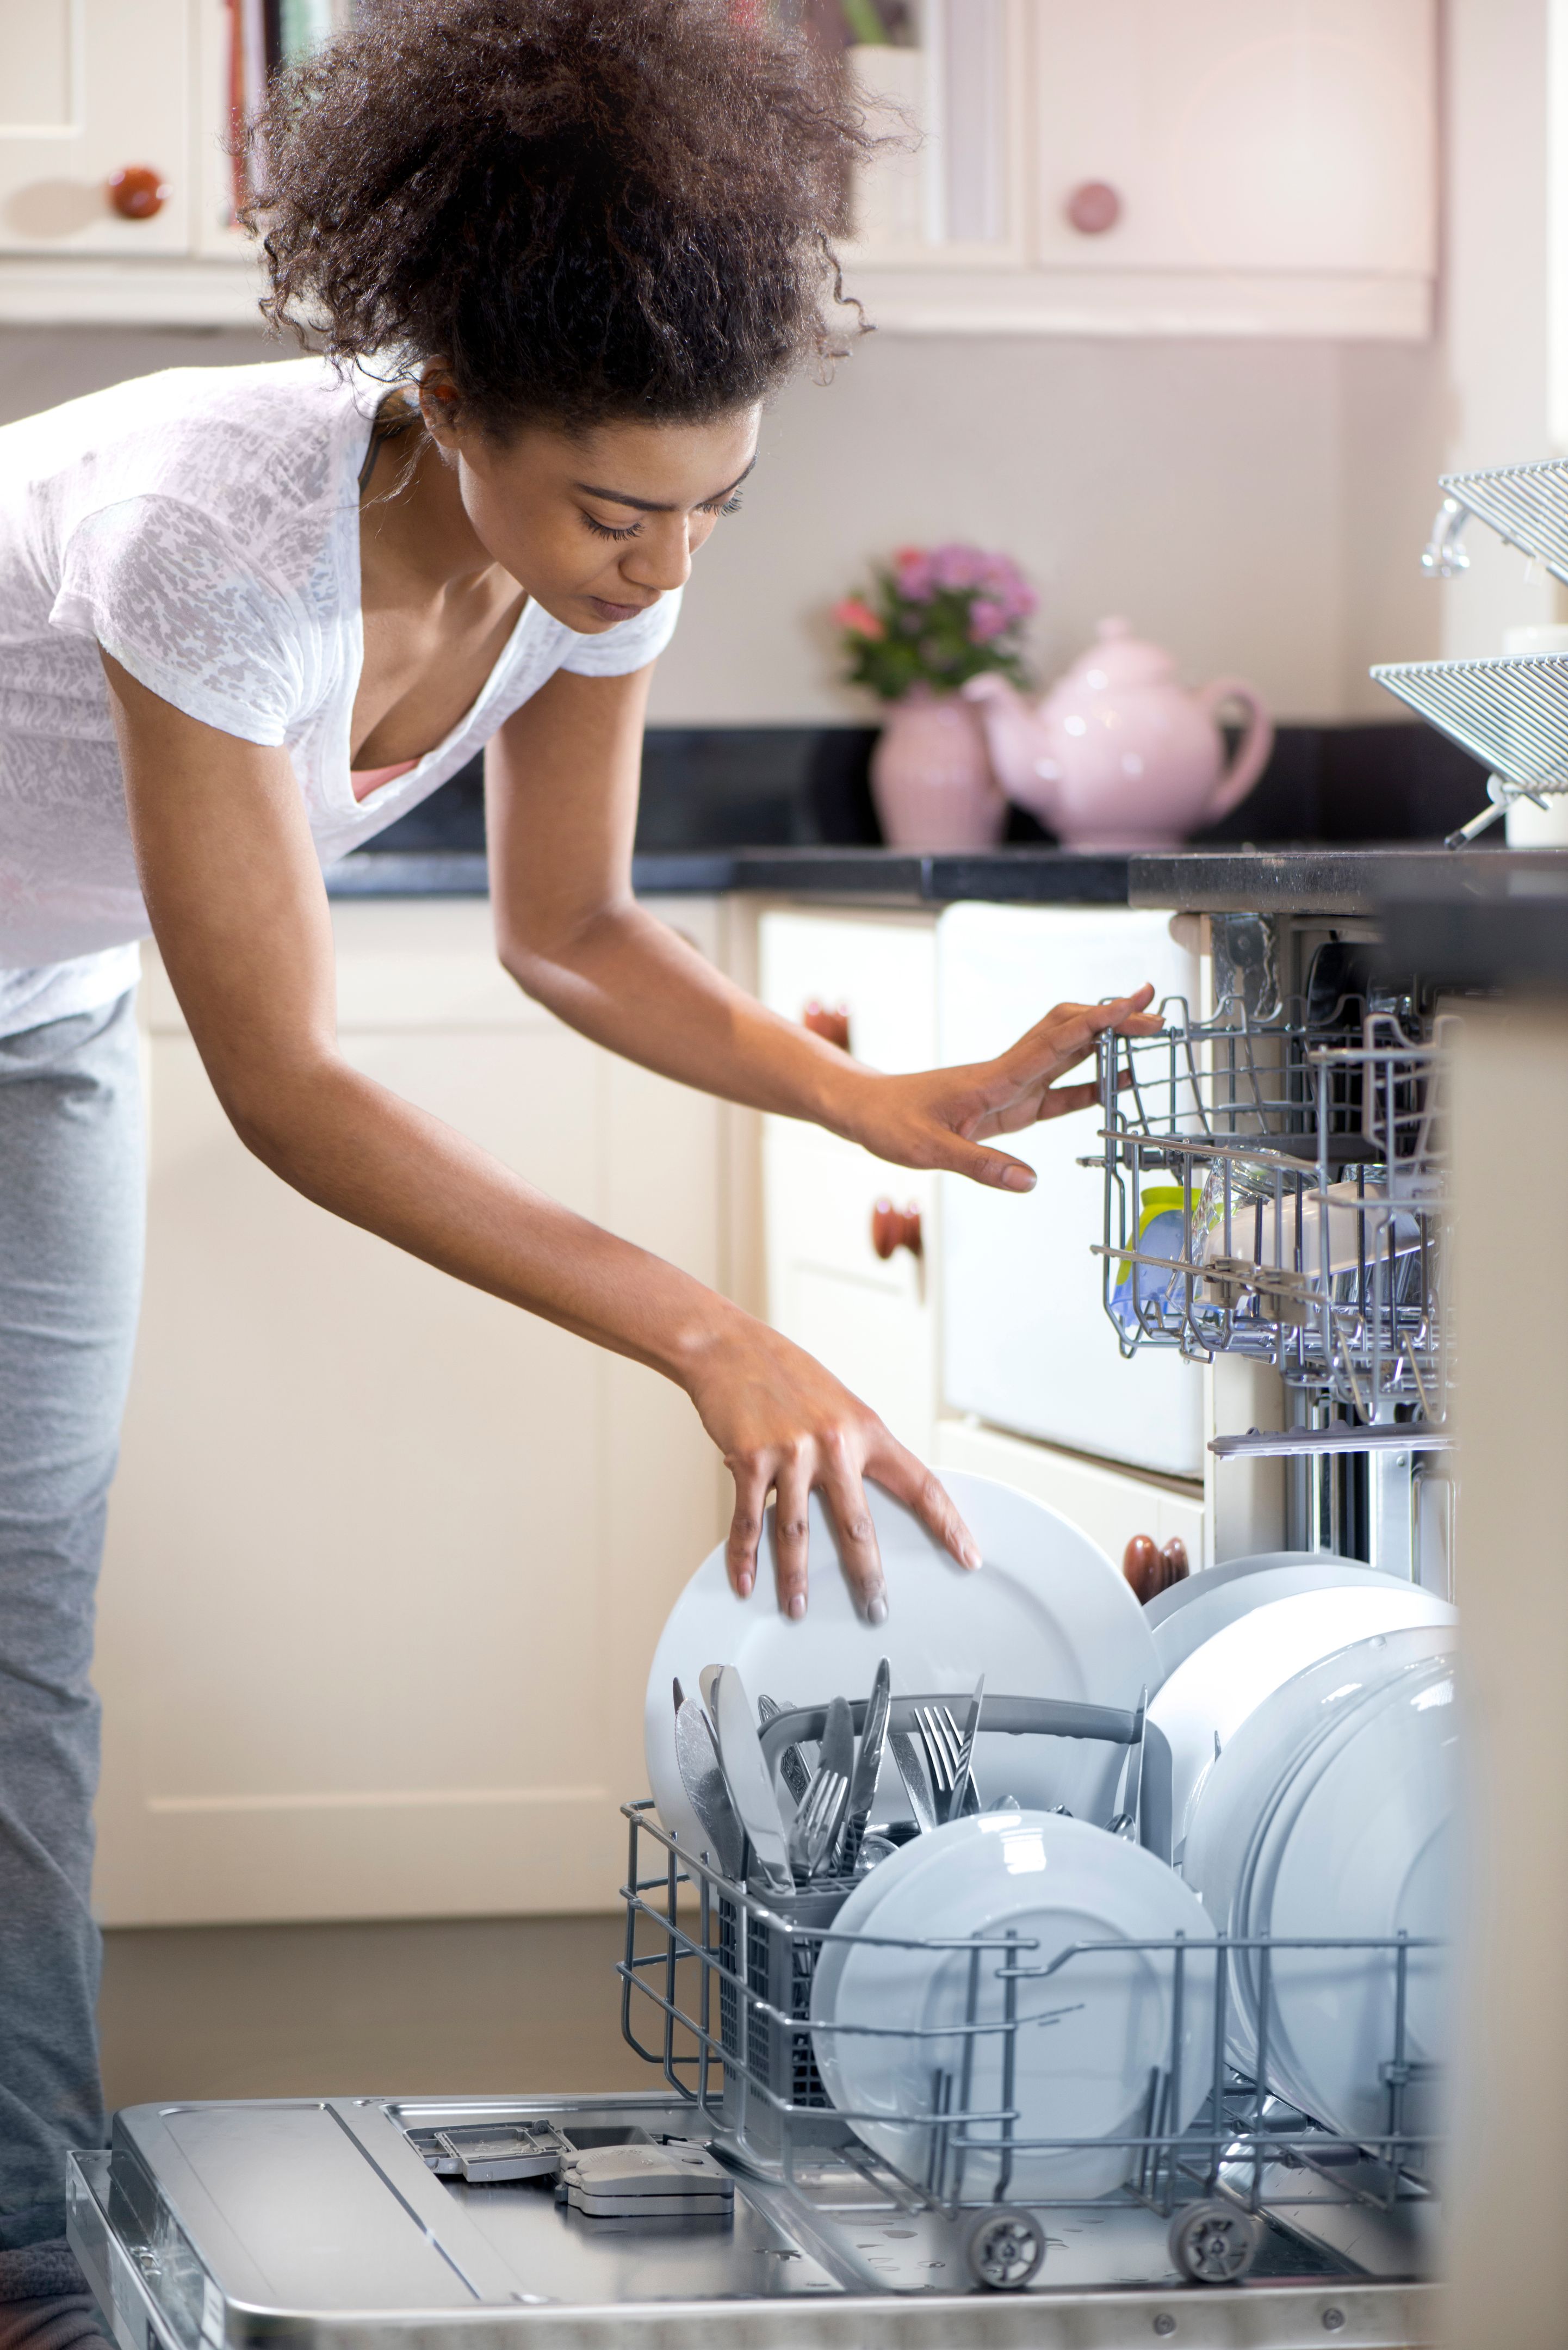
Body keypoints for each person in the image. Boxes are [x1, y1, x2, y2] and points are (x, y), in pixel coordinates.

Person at [0, 0, 1158, 2324]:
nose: (658, 566)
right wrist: (707, 1336)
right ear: (446, 403)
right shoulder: (218, 535)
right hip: (85, 1003)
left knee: (19, 1642)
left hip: (32, 1018)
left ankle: (27, 2252)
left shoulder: (609, 551)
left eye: (712, 505)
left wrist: (864, 1096)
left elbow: (573, 928)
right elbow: (291, 1084)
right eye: (616, 513)